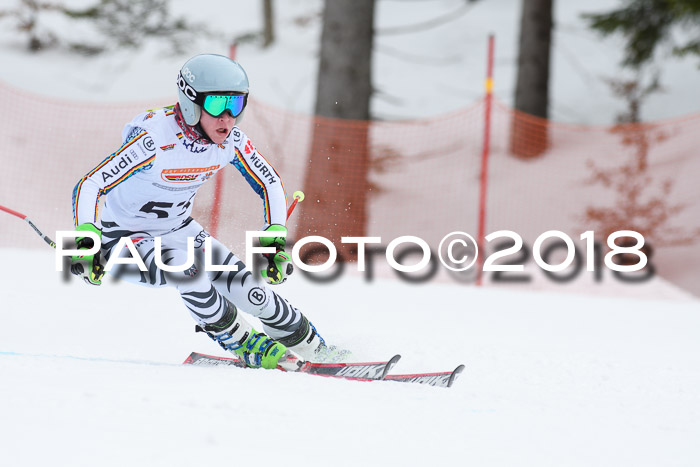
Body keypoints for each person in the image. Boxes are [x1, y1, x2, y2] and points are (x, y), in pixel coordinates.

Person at [70, 53, 345, 370]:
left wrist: (273, 242)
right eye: (217, 105)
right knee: (185, 266)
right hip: (121, 243)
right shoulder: (153, 141)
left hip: (179, 231)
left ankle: (315, 349)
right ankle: (244, 343)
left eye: (236, 106)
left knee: (252, 292)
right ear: (190, 102)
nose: (227, 118)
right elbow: (89, 185)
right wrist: (86, 243)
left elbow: (269, 182)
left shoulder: (231, 141)